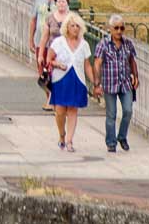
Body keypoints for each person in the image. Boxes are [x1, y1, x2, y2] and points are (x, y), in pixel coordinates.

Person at [93, 14, 140, 152]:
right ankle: (111, 142)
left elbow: (132, 60)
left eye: (122, 28)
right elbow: (97, 63)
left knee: (128, 110)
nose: (119, 31)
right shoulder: (104, 44)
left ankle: (122, 136)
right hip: (110, 83)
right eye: (116, 28)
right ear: (110, 29)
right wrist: (97, 83)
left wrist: (135, 76)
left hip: (125, 82)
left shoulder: (127, 44)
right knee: (111, 114)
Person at [48, 13, 93, 152]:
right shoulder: (58, 42)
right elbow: (49, 59)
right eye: (72, 26)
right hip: (61, 80)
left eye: (77, 26)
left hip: (77, 80)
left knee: (73, 110)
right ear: (67, 27)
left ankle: (69, 141)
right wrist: (58, 64)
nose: (75, 28)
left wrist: (95, 83)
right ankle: (62, 134)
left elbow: (87, 66)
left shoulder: (84, 45)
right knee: (60, 111)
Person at [30, 0, 60, 110]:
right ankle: (49, 97)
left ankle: (53, 99)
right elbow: (33, 20)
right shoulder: (38, 0)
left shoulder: (60, 1)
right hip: (40, 41)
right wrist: (31, 39)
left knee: (52, 71)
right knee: (42, 71)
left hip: (54, 44)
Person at [39, 0, 71, 112]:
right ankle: (53, 101)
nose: (61, 4)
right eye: (59, 2)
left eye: (63, 2)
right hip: (53, 53)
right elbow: (44, 37)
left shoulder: (71, 18)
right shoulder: (50, 18)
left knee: (65, 77)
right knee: (52, 77)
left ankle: (60, 103)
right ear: (55, 4)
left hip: (67, 52)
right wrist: (41, 54)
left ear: (67, 4)